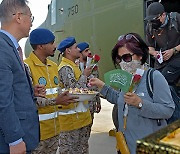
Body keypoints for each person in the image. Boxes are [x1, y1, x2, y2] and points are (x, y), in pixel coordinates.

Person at [89, 33, 175, 154]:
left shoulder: (154, 77)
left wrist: (140, 104)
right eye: (119, 59)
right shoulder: (127, 78)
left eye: (127, 57)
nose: (123, 63)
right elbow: (120, 99)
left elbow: (168, 110)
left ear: (140, 55)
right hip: (126, 146)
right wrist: (102, 86)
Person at [24, 28, 78, 154]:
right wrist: (56, 101)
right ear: (41, 46)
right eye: (52, 43)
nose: (55, 46)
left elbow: (56, 91)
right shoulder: (26, 67)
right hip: (38, 134)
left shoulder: (53, 66)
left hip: (54, 131)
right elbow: (29, 100)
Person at [0, 0, 39, 153]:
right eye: (31, 17)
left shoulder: (10, 48)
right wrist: (14, 139)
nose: (31, 23)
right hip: (11, 142)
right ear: (18, 17)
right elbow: (2, 99)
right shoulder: (3, 49)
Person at [145, 2, 180, 122]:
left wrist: (174, 50)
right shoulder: (150, 27)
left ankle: (175, 119)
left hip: (177, 58)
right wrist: (154, 53)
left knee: (163, 82)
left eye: (155, 19)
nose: (152, 22)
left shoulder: (176, 19)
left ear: (163, 15)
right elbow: (149, 47)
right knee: (155, 81)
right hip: (161, 61)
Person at [56, 37, 92, 154]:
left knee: (81, 149)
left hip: (81, 118)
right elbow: (73, 90)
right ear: (68, 51)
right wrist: (85, 75)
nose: (78, 49)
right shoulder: (65, 68)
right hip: (71, 121)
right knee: (69, 150)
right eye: (76, 47)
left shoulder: (73, 66)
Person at [77, 42, 101, 119]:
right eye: (86, 51)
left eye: (89, 50)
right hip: (79, 104)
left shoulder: (93, 66)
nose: (90, 52)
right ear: (80, 53)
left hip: (91, 103)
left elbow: (96, 84)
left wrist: (98, 101)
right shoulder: (75, 66)